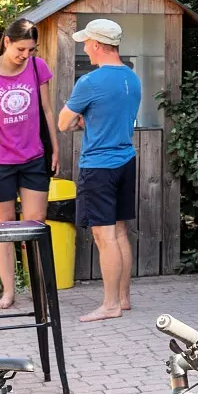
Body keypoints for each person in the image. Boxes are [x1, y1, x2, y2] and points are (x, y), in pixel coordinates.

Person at [58, 18, 142, 322]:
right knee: (119, 232)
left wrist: (81, 120)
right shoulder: (132, 78)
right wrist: (89, 120)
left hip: (98, 166)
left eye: (86, 43)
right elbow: (113, 116)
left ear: (96, 44)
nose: (84, 49)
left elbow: (63, 123)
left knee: (104, 236)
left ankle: (109, 305)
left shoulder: (89, 82)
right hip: (126, 160)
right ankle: (123, 298)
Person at [0, 17, 54, 309]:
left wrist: (55, 148)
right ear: (7, 42)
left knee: (35, 225)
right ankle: (9, 291)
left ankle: (38, 288)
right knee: (3, 227)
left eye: (31, 49)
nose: (25, 55)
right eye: (21, 49)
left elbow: (47, 110)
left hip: (34, 157)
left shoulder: (37, 67)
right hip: (1, 161)